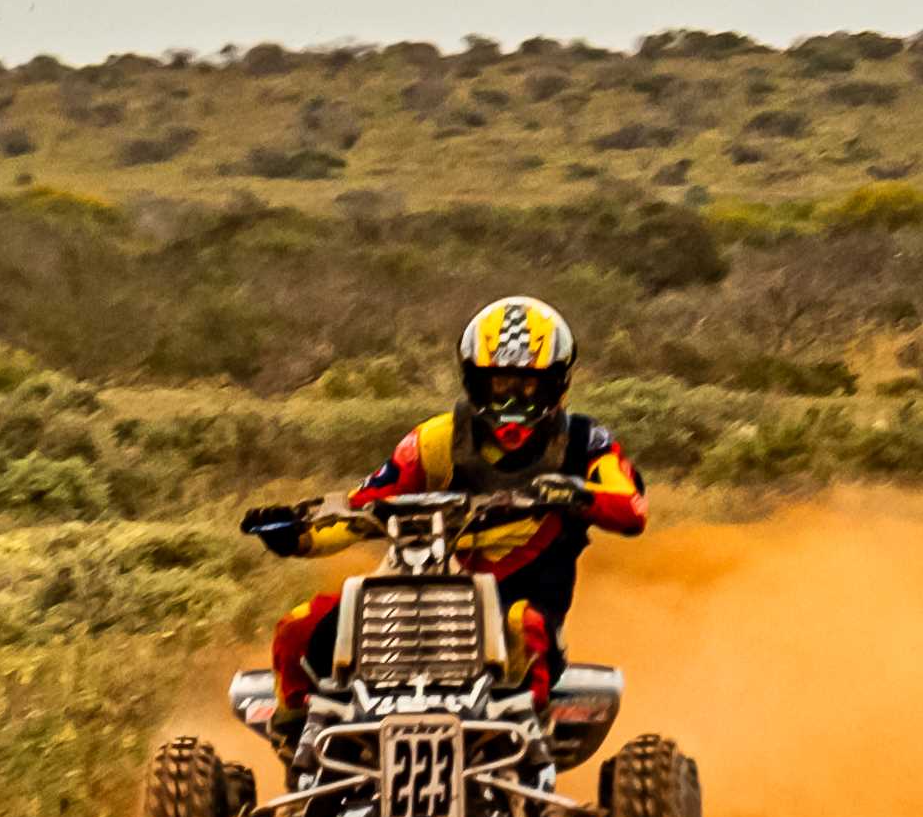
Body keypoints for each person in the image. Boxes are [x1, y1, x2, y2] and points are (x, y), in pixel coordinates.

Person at [246, 294, 644, 730]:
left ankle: (527, 753)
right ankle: (302, 746)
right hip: (411, 594)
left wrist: (576, 494)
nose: (512, 401)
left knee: (523, 626)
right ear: (474, 383)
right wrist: (299, 536)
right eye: (499, 386)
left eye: (529, 387)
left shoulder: (585, 442)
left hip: (518, 602)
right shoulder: (435, 440)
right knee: (297, 628)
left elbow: (630, 508)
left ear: (557, 384)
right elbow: (364, 506)